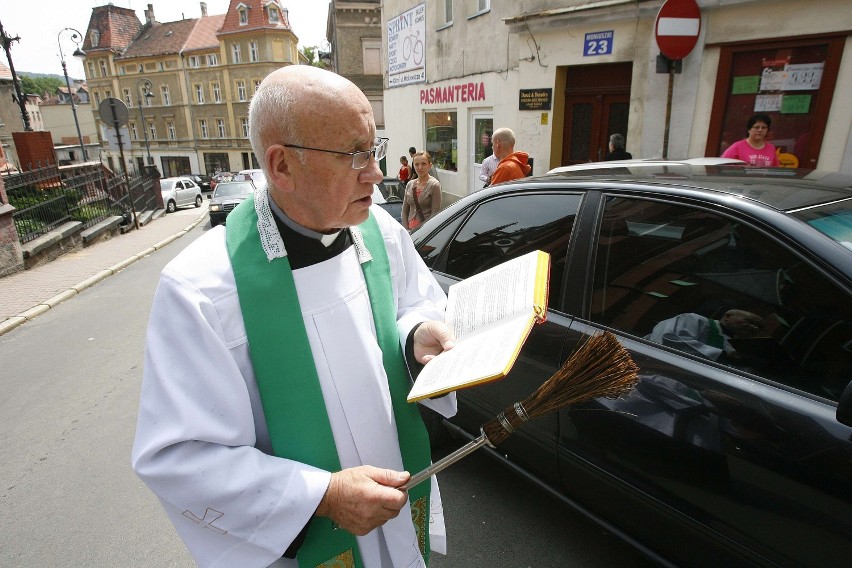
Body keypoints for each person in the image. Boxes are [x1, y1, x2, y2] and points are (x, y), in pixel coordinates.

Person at [132, 65, 458, 568]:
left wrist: (416, 335)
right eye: (354, 155)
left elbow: (414, 302)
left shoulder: (380, 233)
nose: (375, 173)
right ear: (281, 166)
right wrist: (321, 495)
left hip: (395, 504)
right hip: (307, 543)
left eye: (374, 150)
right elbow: (180, 457)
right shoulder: (201, 289)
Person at [644, 309, 765, 362]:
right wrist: (724, 355)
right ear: (727, 317)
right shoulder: (695, 320)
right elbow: (668, 341)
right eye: (750, 322)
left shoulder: (736, 348)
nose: (754, 328)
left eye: (759, 327)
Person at [402, 151, 442, 231]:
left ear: (429, 165)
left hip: (425, 233)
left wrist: (422, 232)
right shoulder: (410, 184)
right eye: (416, 164)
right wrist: (406, 231)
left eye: (423, 164)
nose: (420, 167)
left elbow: (434, 214)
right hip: (409, 232)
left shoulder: (434, 185)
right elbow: (404, 212)